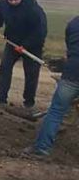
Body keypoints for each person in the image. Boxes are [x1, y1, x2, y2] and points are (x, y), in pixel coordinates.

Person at [23, 16, 79, 158]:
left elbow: (70, 50)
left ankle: (41, 149)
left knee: (55, 112)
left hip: (71, 74)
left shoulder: (73, 23)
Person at [0, 0, 47, 113]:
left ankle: (28, 102)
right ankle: (1, 98)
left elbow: (40, 31)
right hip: (12, 42)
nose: (13, 2)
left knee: (31, 74)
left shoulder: (32, 8)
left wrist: (26, 45)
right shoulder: (3, 3)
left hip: (32, 45)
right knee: (4, 68)